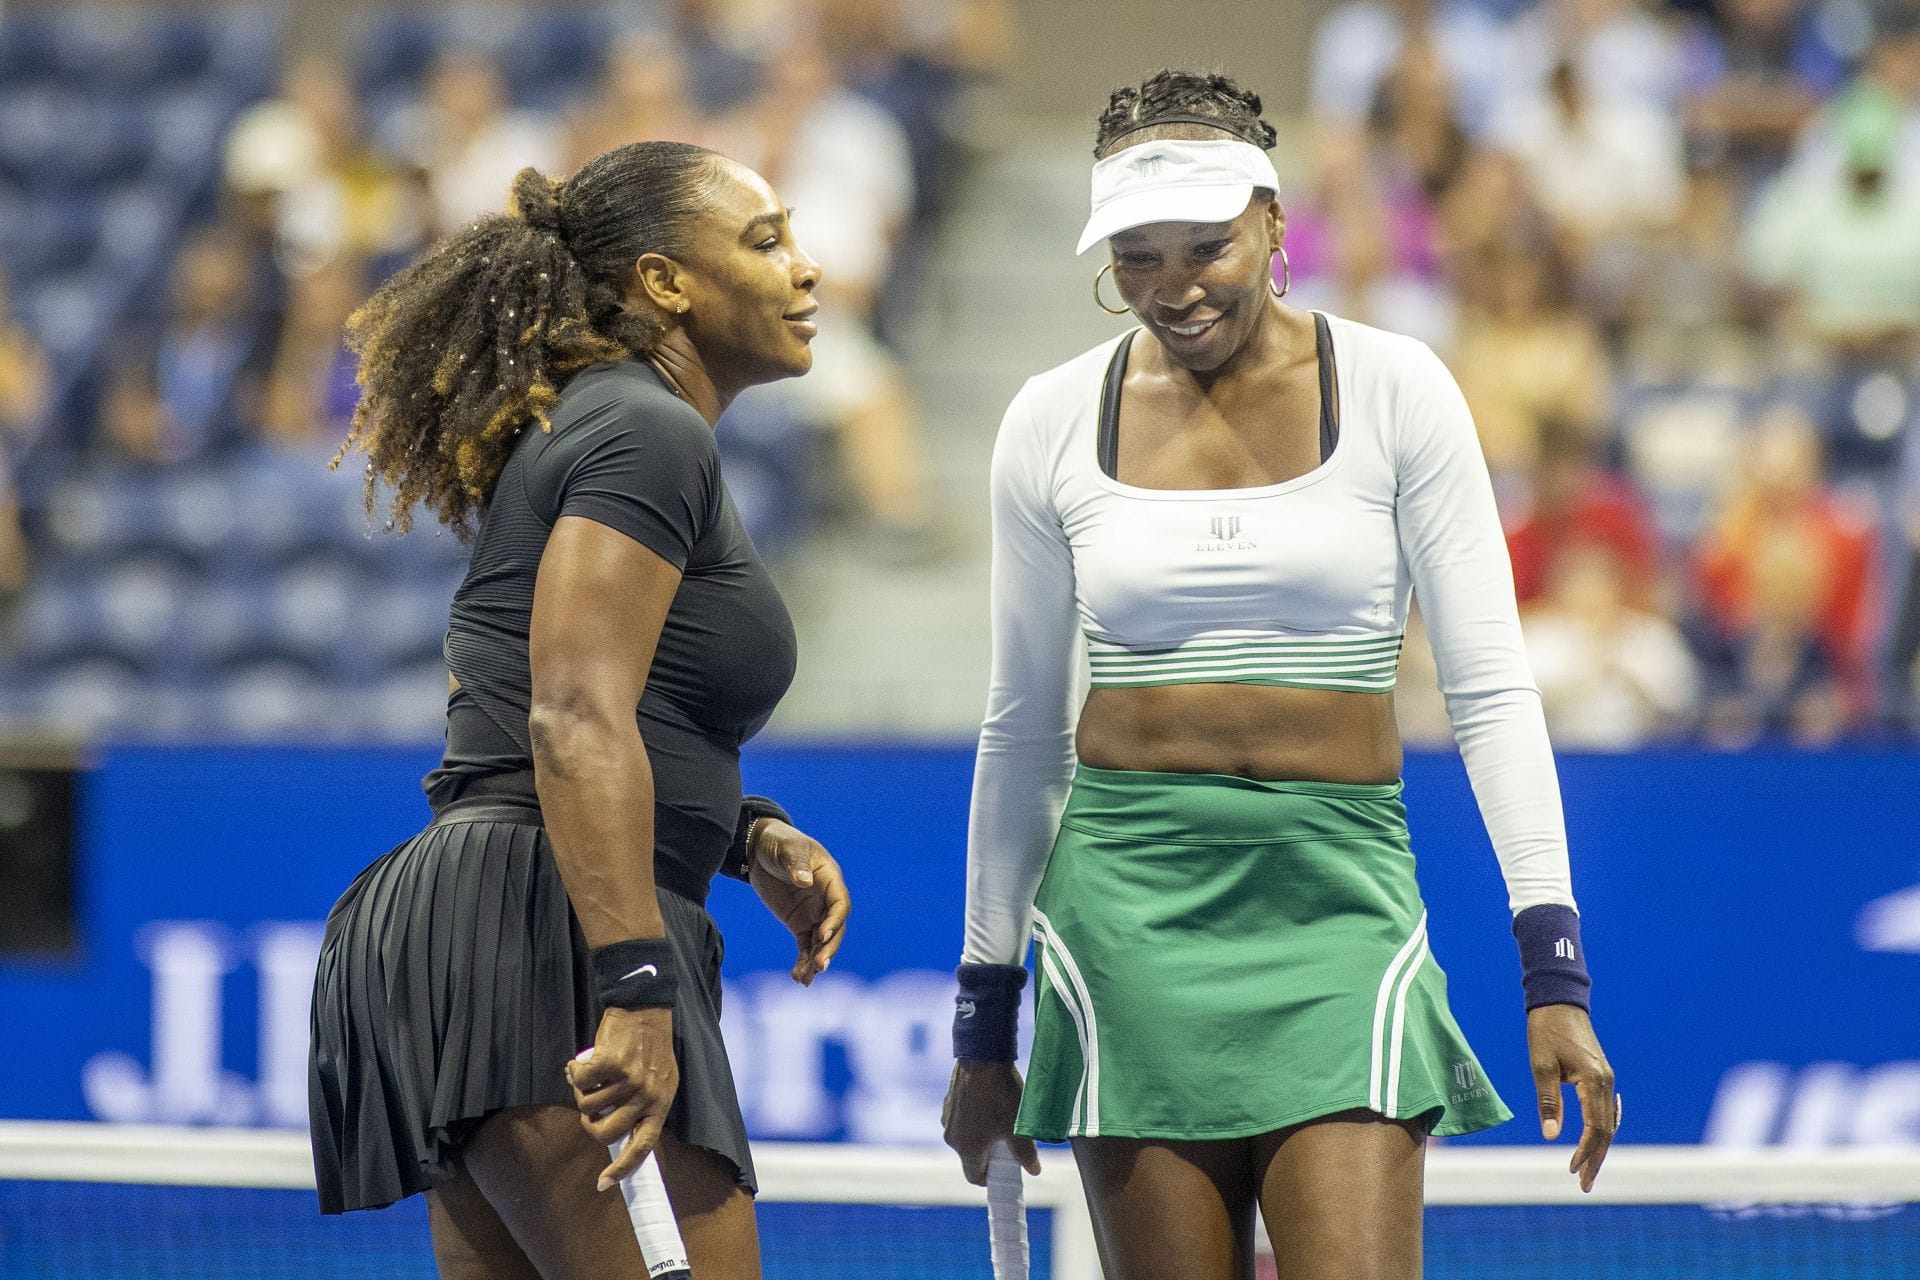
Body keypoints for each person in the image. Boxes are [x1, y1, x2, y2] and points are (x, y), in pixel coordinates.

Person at [942, 71, 1617, 1280]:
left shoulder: (1402, 387)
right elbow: (1023, 728)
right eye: (1136, 256)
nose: (1173, 285)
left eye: (1206, 245)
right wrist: (983, 1017)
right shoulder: (1047, 420)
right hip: (1127, 918)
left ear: (1273, 222)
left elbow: (1494, 692)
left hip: (1341, 904)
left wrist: (1552, 968)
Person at [308, 141, 851, 1280]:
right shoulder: (648, 430)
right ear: (665, 282)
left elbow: (531, 692)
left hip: (488, 914)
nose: (808, 270)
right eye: (766, 240)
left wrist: (740, 829)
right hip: (546, 931)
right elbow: (566, 713)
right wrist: (635, 983)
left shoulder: (607, 424)